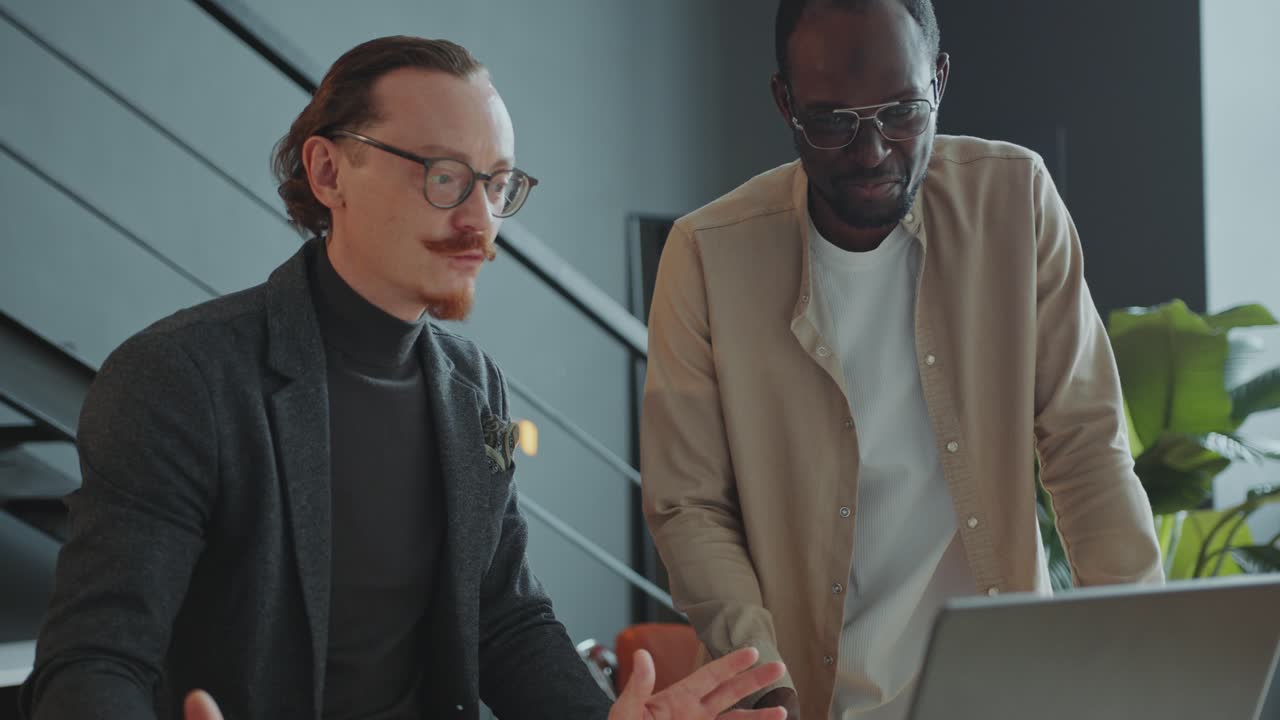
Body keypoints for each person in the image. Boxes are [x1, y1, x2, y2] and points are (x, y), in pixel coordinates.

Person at [19, 36, 787, 720]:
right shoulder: (180, 378)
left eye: (498, 183)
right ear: (329, 171)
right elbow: (94, 661)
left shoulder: (472, 385)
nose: (481, 220)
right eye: (445, 177)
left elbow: (502, 617)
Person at [639, 1, 1164, 718]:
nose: (873, 150)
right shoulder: (707, 255)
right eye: (831, 121)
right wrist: (761, 686)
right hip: (801, 698)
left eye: (902, 112)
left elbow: (1085, 448)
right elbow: (689, 505)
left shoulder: (1014, 200)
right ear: (783, 103)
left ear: (939, 80)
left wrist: (1148, 666)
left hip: (998, 693)